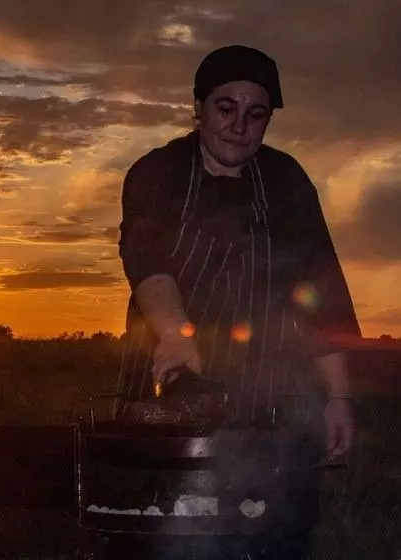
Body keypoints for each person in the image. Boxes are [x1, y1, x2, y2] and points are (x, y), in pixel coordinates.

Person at [113, 45, 362, 559]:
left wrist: (338, 397)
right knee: (159, 535)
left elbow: (323, 294)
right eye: (225, 108)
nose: (239, 126)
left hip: (265, 401)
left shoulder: (286, 181)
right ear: (198, 107)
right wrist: (178, 334)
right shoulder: (157, 172)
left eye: (256, 114)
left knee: (269, 537)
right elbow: (147, 259)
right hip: (165, 390)